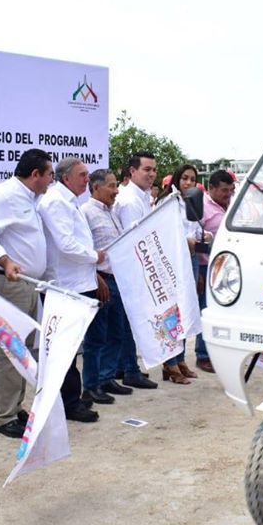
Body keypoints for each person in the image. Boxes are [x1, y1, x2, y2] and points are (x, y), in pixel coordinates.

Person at [0, 148, 54, 438]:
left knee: (22, 350)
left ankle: (14, 407)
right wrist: (6, 261)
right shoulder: (3, 194)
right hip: (7, 282)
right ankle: (3, 416)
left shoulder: (32, 200)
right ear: (35, 175)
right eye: (49, 176)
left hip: (27, 284)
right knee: (9, 350)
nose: (50, 182)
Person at [37, 157, 102, 421]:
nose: (88, 179)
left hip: (78, 283)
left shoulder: (69, 201)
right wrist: (95, 256)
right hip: (65, 286)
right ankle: (67, 403)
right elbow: (66, 244)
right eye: (82, 175)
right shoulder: (55, 201)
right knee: (64, 349)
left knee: (72, 347)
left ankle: (72, 398)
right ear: (66, 178)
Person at [81, 169, 135, 400]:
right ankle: (91, 386)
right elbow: (84, 252)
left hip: (118, 280)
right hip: (100, 281)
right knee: (96, 337)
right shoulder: (85, 213)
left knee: (116, 334)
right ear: (96, 187)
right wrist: (96, 278)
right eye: (112, 186)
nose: (116, 191)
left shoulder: (112, 212)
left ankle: (107, 377)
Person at [110, 152, 159, 389]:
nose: (151, 174)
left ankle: (123, 366)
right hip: (130, 269)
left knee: (126, 321)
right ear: (132, 171)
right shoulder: (130, 201)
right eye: (146, 169)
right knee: (130, 321)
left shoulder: (141, 197)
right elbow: (132, 241)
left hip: (132, 269)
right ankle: (130, 369)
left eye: (153, 170)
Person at [159, 163, 211, 383]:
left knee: (186, 311)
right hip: (173, 261)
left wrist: (204, 235)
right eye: (185, 178)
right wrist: (185, 241)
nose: (189, 183)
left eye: (192, 179)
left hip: (191, 258)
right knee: (172, 312)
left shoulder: (193, 200)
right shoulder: (167, 202)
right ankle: (169, 363)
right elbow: (163, 233)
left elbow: (196, 228)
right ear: (177, 179)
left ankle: (179, 359)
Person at [197, 169, 236, 372]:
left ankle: (220, 354)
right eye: (223, 190)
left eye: (230, 190)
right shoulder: (202, 207)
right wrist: (198, 272)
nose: (227, 194)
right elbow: (195, 237)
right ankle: (203, 355)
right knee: (205, 311)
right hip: (206, 266)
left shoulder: (232, 205)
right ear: (211, 188)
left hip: (228, 267)